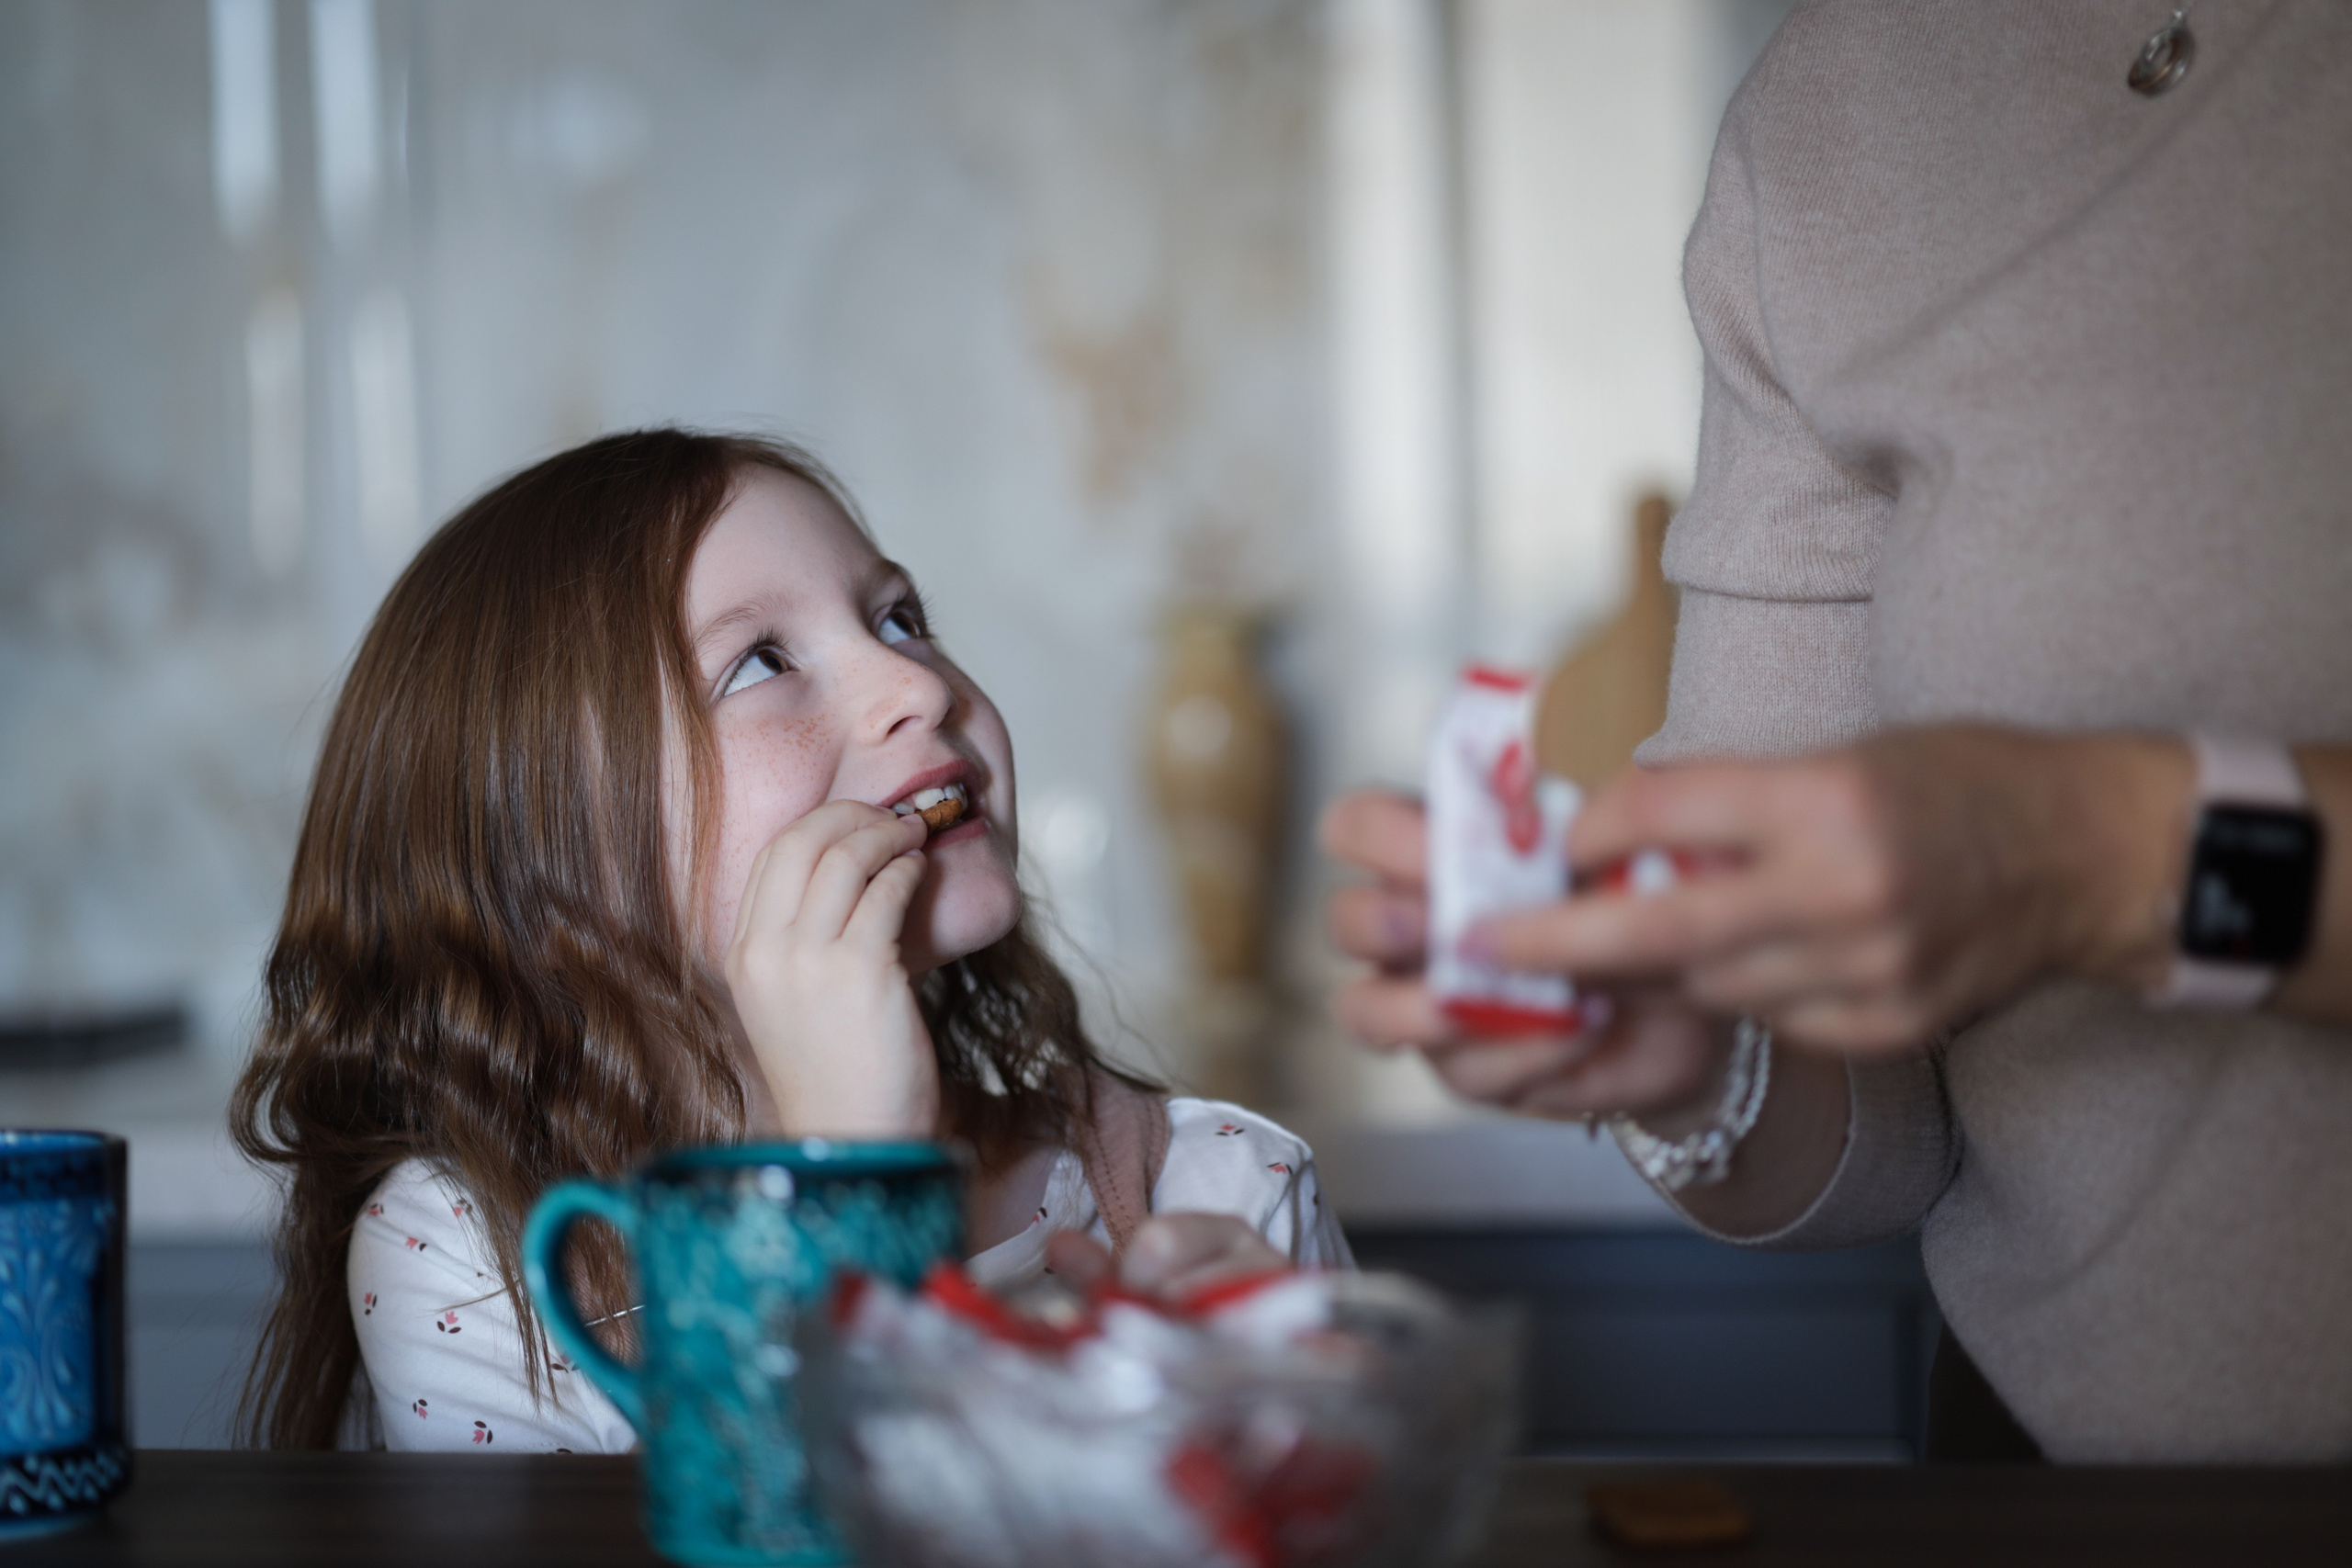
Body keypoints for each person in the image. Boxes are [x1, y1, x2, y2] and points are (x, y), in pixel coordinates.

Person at [1322, 0, 2352, 1462]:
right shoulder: (1843, 94)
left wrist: (2115, 859)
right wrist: (1700, 1052)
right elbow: (1880, 1113)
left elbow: (2067, 864)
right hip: (2059, 1485)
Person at [234, 430, 1350, 1453]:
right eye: (762, 662)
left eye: (899, 618)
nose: (915, 684)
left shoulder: (1217, 1189)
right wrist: (849, 1183)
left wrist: (1259, 1451)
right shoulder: (476, 1265)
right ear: (545, 860)